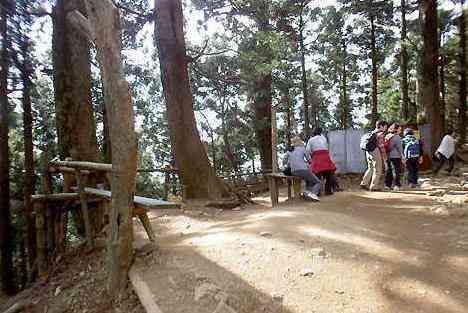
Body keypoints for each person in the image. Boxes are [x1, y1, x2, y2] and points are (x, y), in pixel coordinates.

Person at [284, 136, 321, 201]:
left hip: (293, 172)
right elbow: (310, 160)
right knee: (317, 182)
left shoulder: (289, 150)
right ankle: (313, 194)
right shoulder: (303, 148)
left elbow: (284, 161)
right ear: (299, 142)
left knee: (308, 179)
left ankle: (307, 193)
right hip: (303, 170)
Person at [306, 127, 339, 195]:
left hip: (317, 158)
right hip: (326, 157)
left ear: (314, 132)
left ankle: (317, 192)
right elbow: (327, 148)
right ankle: (328, 191)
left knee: (316, 175)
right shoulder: (324, 138)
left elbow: (308, 151)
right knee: (329, 174)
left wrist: (310, 160)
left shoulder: (311, 140)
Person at [360, 120, 388, 191]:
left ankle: (364, 183)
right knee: (378, 169)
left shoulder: (372, 132)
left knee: (370, 168)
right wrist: (385, 158)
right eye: (385, 126)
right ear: (381, 126)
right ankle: (374, 186)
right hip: (375, 151)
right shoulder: (380, 134)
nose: (386, 128)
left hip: (368, 152)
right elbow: (381, 146)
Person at [384, 123, 404, 191]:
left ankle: (387, 185)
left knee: (389, 170)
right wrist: (402, 157)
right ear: (396, 129)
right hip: (396, 157)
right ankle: (396, 185)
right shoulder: (397, 137)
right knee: (396, 171)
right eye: (399, 129)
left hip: (388, 156)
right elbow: (400, 148)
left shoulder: (387, 136)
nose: (400, 131)